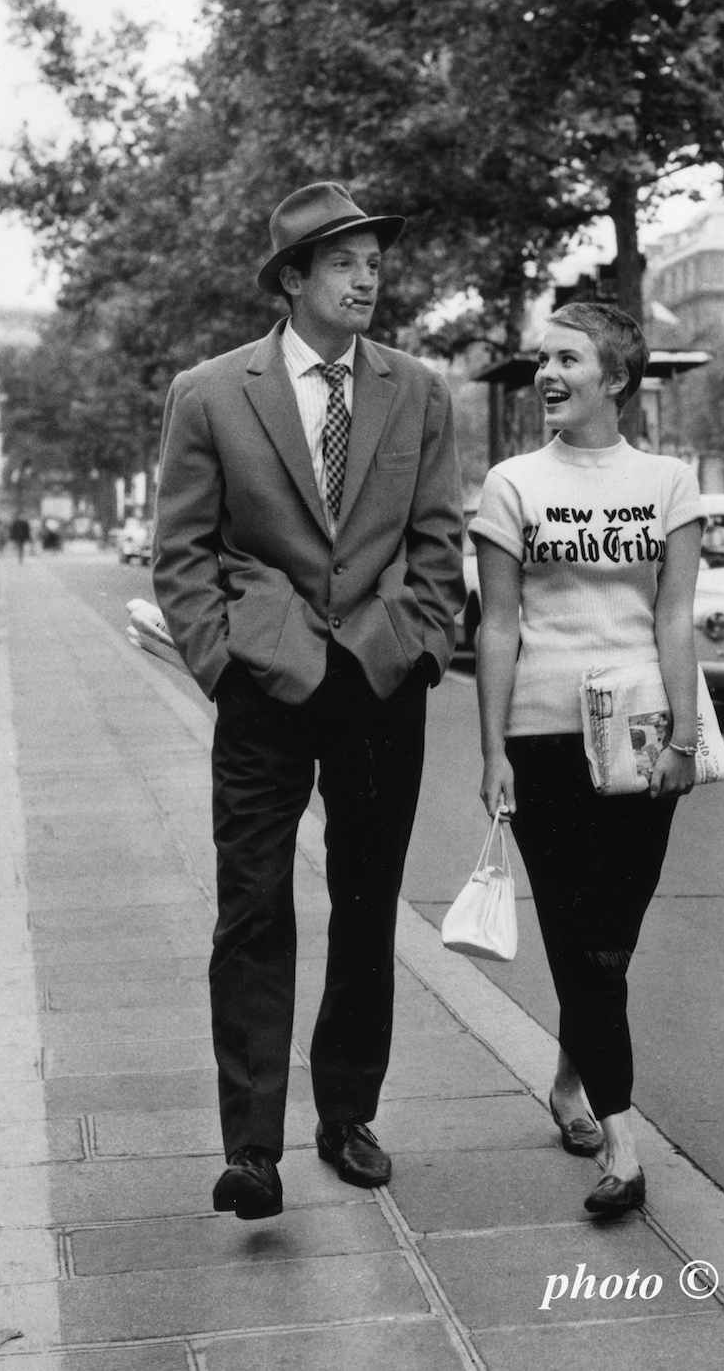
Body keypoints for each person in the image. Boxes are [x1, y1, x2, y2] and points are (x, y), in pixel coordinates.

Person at [153, 181, 465, 1220]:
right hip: (264, 684)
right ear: (293, 280)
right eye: (344, 261)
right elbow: (183, 554)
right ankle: (251, 1149)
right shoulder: (208, 393)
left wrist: (410, 646)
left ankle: (345, 1116)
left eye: (374, 259)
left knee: (367, 905)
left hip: (378, 683)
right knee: (249, 909)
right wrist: (223, 663)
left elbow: (436, 544)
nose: (368, 276)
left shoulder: (417, 391)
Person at [471, 302, 703, 1216]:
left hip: (642, 736)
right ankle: (624, 1146)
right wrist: (491, 748)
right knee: (582, 941)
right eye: (541, 359)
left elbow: (674, 615)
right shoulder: (510, 483)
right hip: (541, 737)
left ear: (616, 378)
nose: (547, 374)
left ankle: (570, 1086)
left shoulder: (668, 482)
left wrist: (685, 736)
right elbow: (495, 624)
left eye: (568, 359)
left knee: (612, 938)